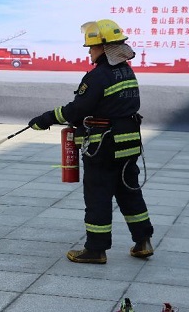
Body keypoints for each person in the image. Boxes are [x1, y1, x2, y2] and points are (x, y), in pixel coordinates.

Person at [28, 19, 154, 264]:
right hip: (128, 144)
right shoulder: (126, 71)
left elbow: (77, 110)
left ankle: (96, 250)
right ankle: (143, 241)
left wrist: (45, 119)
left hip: (104, 146)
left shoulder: (98, 76)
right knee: (129, 193)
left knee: (98, 195)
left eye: (92, 47)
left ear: (105, 48)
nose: (89, 51)